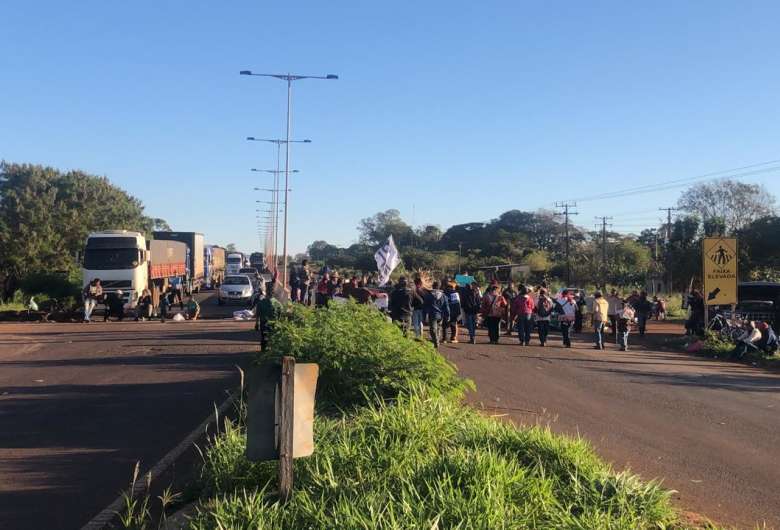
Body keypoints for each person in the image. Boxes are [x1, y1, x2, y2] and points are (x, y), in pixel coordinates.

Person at [424, 281, 450, 348]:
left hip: (432, 314)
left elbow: (425, 306)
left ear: (433, 286)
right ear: (439, 286)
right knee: (438, 328)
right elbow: (446, 306)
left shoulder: (429, 295)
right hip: (441, 315)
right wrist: (448, 315)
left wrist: (425, 315)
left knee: (433, 329)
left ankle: (436, 341)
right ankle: (437, 340)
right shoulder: (444, 296)